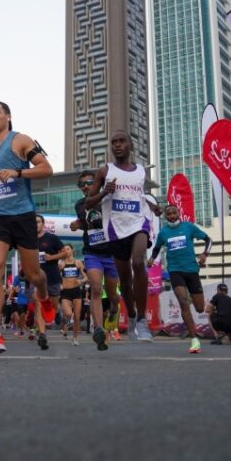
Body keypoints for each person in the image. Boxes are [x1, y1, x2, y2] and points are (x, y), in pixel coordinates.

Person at [0, 100, 54, 354]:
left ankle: (45, 297)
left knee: (34, 274)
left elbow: (46, 168)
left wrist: (18, 172)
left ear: (8, 116)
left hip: (23, 215)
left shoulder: (20, 140)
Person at [84, 131, 161, 342]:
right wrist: (104, 193)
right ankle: (133, 316)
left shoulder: (140, 171)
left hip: (139, 222)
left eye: (121, 141)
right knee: (125, 282)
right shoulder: (104, 171)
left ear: (130, 146)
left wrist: (153, 206)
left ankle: (143, 322)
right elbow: (88, 203)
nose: (117, 145)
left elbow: (140, 196)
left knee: (138, 262)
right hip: (115, 229)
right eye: (113, 142)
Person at [150, 204, 212, 353]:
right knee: (183, 303)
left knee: (199, 308)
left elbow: (208, 240)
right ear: (165, 217)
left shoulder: (189, 227)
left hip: (192, 270)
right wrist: (152, 258)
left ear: (179, 213)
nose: (171, 216)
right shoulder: (163, 232)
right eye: (169, 214)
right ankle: (194, 340)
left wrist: (204, 255)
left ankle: (193, 297)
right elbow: (157, 248)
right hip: (175, 270)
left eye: (174, 213)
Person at [71, 169, 120, 351]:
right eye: (82, 184)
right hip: (92, 252)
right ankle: (98, 329)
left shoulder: (110, 199)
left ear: (97, 182)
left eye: (89, 182)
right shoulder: (80, 205)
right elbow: (87, 221)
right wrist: (77, 224)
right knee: (96, 289)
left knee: (112, 294)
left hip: (112, 253)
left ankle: (114, 309)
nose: (86, 186)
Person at [36, 214, 65, 323]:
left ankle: (57, 311)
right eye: (34, 222)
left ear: (43, 224)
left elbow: (65, 253)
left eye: (38, 222)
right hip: (37, 277)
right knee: (38, 304)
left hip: (52, 276)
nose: (36, 224)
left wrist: (51, 257)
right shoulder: (29, 240)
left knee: (53, 304)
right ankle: (41, 333)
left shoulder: (51, 238)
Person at [58, 244, 86, 345]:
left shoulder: (78, 263)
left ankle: (75, 338)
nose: (67, 251)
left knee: (77, 317)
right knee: (69, 313)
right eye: (64, 250)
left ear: (72, 250)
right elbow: (56, 277)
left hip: (76, 291)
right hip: (65, 292)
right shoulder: (61, 264)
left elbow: (86, 277)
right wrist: (60, 285)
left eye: (68, 249)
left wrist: (81, 281)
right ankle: (65, 319)